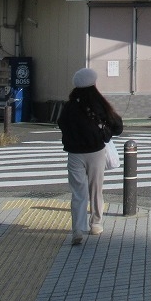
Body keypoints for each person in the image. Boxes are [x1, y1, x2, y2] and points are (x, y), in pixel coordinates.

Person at [57, 67, 124, 245]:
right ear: (93, 85)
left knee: (78, 193)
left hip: (74, 154)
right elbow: (117, 126)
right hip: (95, 152)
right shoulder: (99, 104)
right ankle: (96, 224)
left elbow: (61, 124)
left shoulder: (69, 106)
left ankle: (77, 229)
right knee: (96, 190)